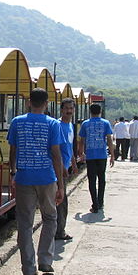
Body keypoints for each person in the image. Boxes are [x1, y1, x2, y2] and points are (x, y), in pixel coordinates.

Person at [8, 88, 64, 275]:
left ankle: (28, 269)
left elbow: (13, 150)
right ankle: (45, 260)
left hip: (24, 178)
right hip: (47, 179)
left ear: (28, 102)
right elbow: (56, 155)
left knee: (25, 224)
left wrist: (13, 172)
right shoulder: (53, 124)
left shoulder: (17, 122)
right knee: (50, 217)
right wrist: (61, 185)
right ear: (47, 103)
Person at [77, 103, 114, 214]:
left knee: (92, 181)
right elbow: (109, 140)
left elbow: (81, 141)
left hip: (91, 156)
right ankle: (100, 201)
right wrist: (112, 155)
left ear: (90, 111)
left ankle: (95, 204)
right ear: (100, 111)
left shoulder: (85, 124)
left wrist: (81, 153)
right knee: (102, 179)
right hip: (102, 155)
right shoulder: (105, 123)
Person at [55, 98, 78, 241]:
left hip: (66, 166)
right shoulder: (57, 126)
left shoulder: (70, 126)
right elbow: (55, 149)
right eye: (67, 108)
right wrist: (62, 166)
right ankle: (59, 232)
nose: (69, 111)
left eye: (71, 108)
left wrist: (73, 163)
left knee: (61, 200)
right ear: (62, 109)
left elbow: (69, 147)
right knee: (61, 201)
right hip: (59, 168)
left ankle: (59, 229)